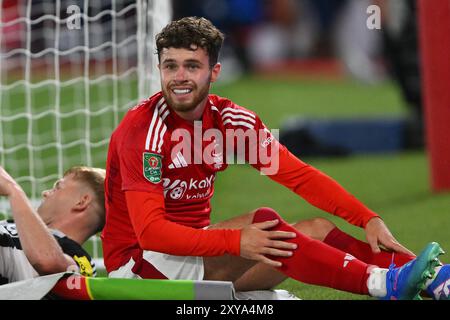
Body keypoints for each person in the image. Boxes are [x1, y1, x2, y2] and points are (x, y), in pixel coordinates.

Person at [101, 16, 448, 300]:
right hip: (138, 272)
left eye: (192, 66)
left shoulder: (230, 121)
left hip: (193, 257)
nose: (179, 78)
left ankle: (431, 279)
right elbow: (152, 234)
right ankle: (382, 284)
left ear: (214, 72)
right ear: (159, 68)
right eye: (170, 66)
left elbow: (300, 177)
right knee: (264, 222)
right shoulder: (143, 130)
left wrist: (366, 218)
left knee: (316, 230)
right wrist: (238, 241)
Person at [0, 165, 105, 284]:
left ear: (82, 202)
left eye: (57, 187)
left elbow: (47, 262)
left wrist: (13, 190)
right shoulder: (16, 226)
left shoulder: (80, 263)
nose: (45, 193)